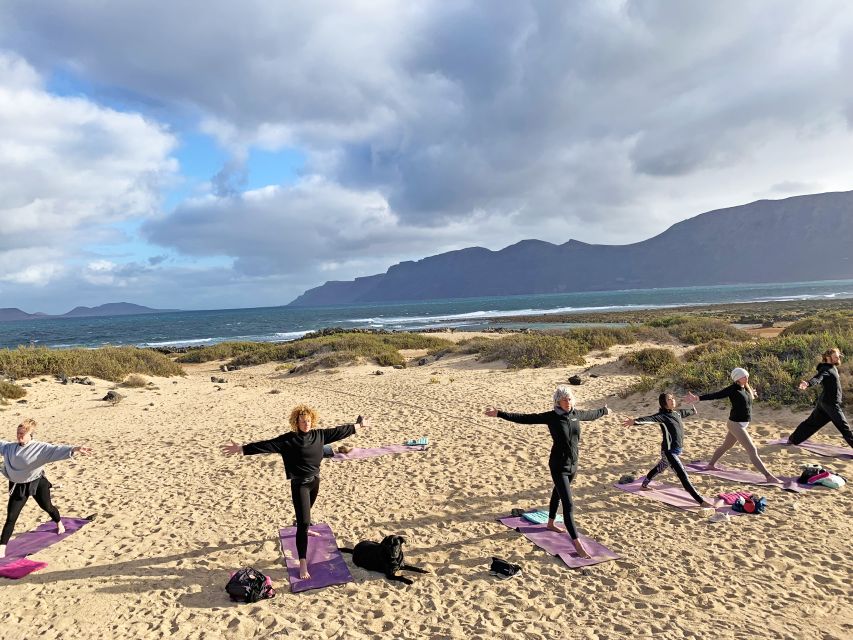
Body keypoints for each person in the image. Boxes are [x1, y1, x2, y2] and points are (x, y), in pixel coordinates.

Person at [221, 405, 369, 579]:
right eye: (302, 421)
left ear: (311, 420)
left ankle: (303, 525)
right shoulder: (288, 440)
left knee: (306, 514)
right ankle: (303, 563)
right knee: (304, 523)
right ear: (296, 423)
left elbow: (340, 431)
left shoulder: (319, 435)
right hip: (300, 485)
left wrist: (359, 426)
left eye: (308, 421)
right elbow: (267, 445)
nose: (305, 424)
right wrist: (242, 449)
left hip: (315, 481)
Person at [484, 386, 611, 559]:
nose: (568, 402)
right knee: (569, 505)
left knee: (557, 492)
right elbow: (525, 418)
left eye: (570, 399)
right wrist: (500, 413)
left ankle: (550, 522)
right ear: (557, 401)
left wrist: (604, 411)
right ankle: (577, 543)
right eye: (565, 400)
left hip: (573, 465)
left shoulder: (576, 414)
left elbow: (592, 414)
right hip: (558, 465)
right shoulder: (551, 417)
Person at [0, 418, 92, 558]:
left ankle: (59, 522)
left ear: (31, 435)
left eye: (22, 434)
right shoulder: (9, 448)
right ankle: (2, 549)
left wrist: (75, 449)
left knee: (47, 506)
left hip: (37, 483)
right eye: (18, 433)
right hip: (18, 485)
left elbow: (56, 449)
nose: (19, 436)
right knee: (11, 517)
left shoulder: (39, 448)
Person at [683, 367, 781, 483]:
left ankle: (710, 465)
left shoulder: (746, 388)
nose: (747, 377)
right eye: (744, 376)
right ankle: (768, 476)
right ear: (738, 378)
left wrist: (752, 394)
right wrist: (697, 398)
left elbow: (747, 401)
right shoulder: (733, 389)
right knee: (752, 449)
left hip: (741, 424)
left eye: (747, 375)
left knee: (726, 446)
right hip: (735, 424)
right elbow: (717, 395)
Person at [623, 393, 716, 510]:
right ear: (664, 403)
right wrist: (635, 422)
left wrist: (692, 411)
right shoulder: (662, 416)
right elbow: (650, 419)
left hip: (676, 451)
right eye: (669, 399)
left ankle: (644, 484)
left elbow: (684, 413)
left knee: (660, 467)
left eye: (673, 398)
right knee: (682, 475)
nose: (672, 400)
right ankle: (700, 501)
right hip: (669, 451)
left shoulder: (676, 413)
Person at [787, 347, 852, 449]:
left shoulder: (831, 367)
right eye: (836, 357)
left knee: (811, 423)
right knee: (844, 428)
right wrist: (808, 383)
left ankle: (793, 439)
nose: (838, 358)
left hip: (824, 403)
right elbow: (818, 378)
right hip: (831, 405)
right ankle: (793, 439)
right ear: (828, 357)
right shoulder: (826, 369)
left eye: (838, 356)